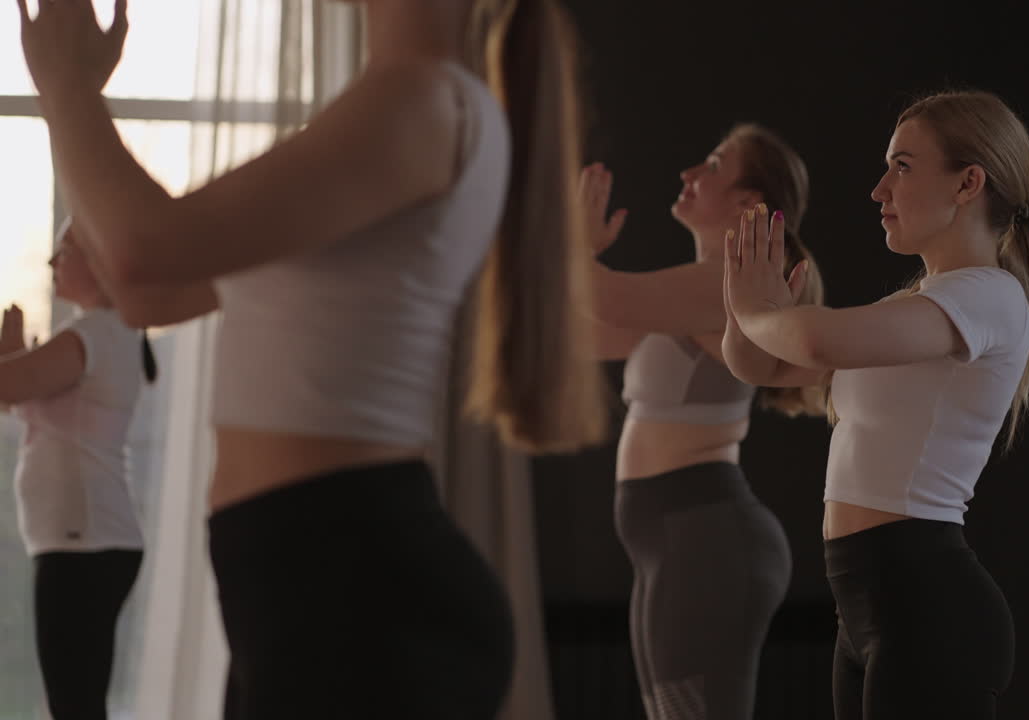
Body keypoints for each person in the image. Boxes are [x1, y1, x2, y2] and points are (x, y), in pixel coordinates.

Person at [17, 0, 605, 716]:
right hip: (315, 587)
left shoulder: (417, 104)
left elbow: (143, 258)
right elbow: (150, 293)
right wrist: (72, 99)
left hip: (353, 594)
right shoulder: (398, 108)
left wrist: (67, 93)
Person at [722, 91, 1029, 719]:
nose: (879, 190)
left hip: (928, 606)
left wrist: (760, 313)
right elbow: (764, 365)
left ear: (968, 183)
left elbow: (814, 336)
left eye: (901, 165)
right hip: (868, 603)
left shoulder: (990, 297)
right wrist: (747, 305)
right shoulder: (913, 307)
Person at [583, 123, 825, 719]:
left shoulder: (721, 287)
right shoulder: (692, 294)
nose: (690, 174)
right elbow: (581, 332)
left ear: (748, 204)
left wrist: (576, 245)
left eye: (712, 166)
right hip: (676, 537)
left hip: (705, 538)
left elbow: (603, 295)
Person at [2, 220, 149, 720]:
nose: (52, 262)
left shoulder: (97, 333)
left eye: (64, 251)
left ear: (100, 261)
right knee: (76, 700)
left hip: (84, 543)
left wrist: (11, 344)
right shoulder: (102, 333)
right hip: (85, 541)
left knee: (75, 704)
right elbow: (16, 392)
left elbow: (9, 384)